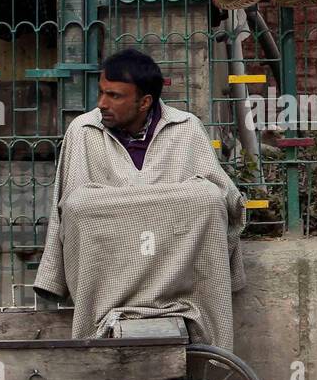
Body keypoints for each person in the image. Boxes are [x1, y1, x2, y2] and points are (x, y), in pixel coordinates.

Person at [33, 49, 244, 348]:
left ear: (145, 102)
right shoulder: (83, 130)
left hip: (177, 272)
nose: (101, 104)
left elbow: (222, 198)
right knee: (79, 205)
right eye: (101, 93)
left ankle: (198, 332)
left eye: (115, 96)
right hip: (110, 272)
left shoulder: (186, 128)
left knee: (208, 199)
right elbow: (65, 212)